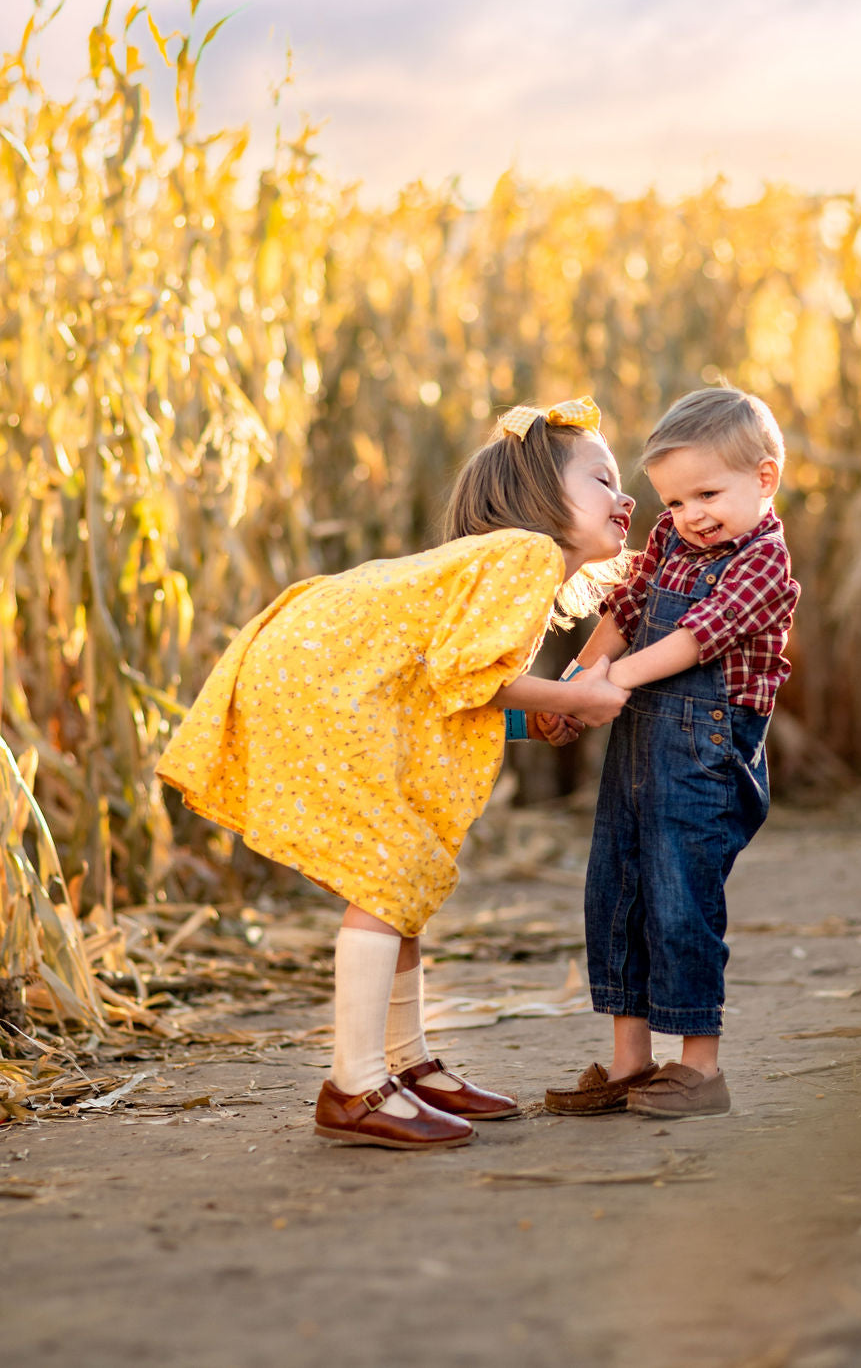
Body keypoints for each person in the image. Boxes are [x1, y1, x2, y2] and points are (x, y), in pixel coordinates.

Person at [157, 397, 635, 1150]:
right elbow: (465, 675)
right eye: (603, 479)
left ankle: (405, 1065)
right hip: (323, 684)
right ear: (542, 497)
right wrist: (574, 693)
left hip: (314, 670)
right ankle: (354, 1084)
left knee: (401, 870)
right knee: (386, 872)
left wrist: (537, 715)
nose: (625, 495)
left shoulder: (508, 568)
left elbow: (453, 690)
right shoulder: (527, 555)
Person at [545, 386, 800, 1120]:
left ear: (765, 478)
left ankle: (700, 1065)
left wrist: (609, 682)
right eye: (675, 502)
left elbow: (699, 636)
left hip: (704, 758)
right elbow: (627, 606)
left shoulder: (763, 563)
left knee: (679, 896)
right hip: (637, 741)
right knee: (616, 888)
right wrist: (574, 681)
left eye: (707, 494)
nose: (689, 516)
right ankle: (632, 1060)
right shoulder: (673, 536)